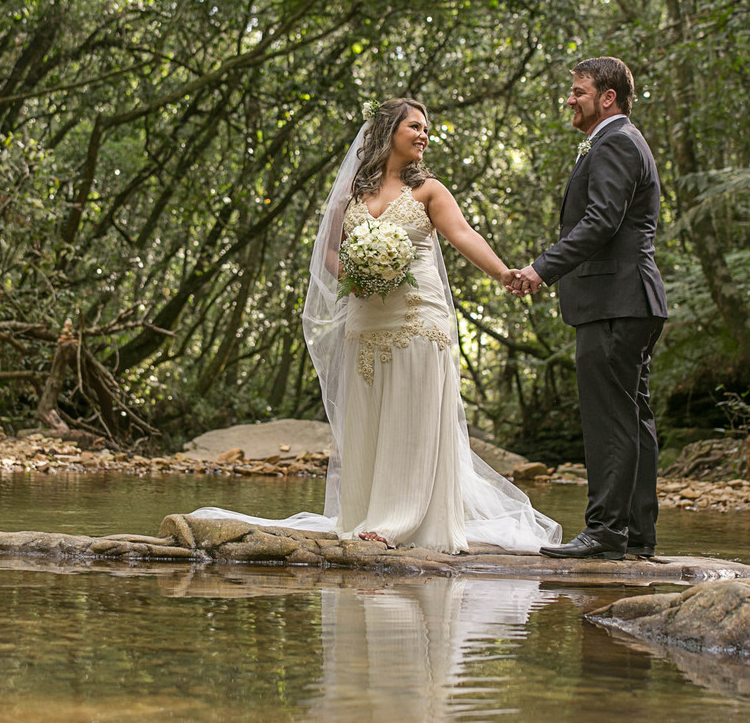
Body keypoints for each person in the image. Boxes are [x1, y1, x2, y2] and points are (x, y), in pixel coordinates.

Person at [192, 99, 561, 555]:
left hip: (418, 315)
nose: (424, 136)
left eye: (426, 129)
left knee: (413, 414)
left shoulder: (429, 191)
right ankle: (365, 514)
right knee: (369, 416)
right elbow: (329, 250)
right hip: (366, 317)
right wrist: (357, 275)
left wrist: (504, 273)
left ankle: (399, 521)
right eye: (415, 127)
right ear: (388, 131)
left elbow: (463, 234)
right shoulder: (351, 193)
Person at [512, 57, 668, 560]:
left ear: (608, 97)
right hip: (628, 299)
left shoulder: (616, 142)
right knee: (632, 416)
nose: (570, 99)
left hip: (615, 299)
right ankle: (636, 534)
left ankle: (605, 531)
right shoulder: (620, 140)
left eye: (578, 91)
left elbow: (601, 221)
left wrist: (541, 269)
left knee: (611, 419)